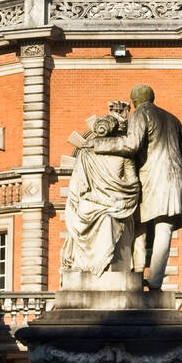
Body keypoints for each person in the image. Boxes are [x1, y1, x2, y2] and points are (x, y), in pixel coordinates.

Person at [90, 84, 182, 290]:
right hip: (178, 179)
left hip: (154, 178)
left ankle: (138, 275)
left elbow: (132, 144)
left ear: (135, 101)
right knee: (164, 228)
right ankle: (155, 282)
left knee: (138, 223)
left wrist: (99, 145)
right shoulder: (173, 119)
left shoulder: (141, 113)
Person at [61, 115, 140, 279]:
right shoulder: (92, 155)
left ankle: (100, 267)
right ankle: (95, 267)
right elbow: (133, 185)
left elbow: (132, 184)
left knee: (107, 217)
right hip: (100, 202)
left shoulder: (118, 155)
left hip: (105, 203)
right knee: (106, 216)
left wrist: (117, 199)